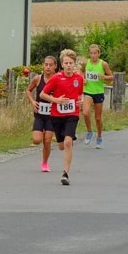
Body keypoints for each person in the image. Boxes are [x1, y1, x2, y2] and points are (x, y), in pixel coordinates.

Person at [40, 49, 84, 186]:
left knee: (68, 143)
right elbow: (42, 94)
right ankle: (63, 142)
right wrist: (56, 100)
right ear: (62, 64)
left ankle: (65, 173)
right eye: (66, 63)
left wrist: (81, 101)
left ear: (74, 64)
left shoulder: (79, 79)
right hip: (57, 116)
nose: (69, 65)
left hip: (72, 115)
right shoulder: (56, 78)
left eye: (71, 63)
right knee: (60, 145)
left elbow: (80, 94)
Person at [25, 55, 57, 172]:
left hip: (52, 115)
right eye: (46, 64)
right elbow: (28, 90)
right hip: (39, 114)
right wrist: (32, 101)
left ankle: (45, 163)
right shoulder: (38, 79)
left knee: (47, 140)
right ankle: (40, 133)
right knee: (37, 140)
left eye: (50, 65)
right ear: (43, 65)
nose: (48, 67)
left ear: (55, 67)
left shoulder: (57, 79)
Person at [82, 44, 113, 148]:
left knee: (98, 118)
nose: (93, 55)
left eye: (95, 53)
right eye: (91, 53)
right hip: (88, 91)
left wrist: (104, 76)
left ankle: (99, 137)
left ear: (99, 53)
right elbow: (81, 71)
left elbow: (111, 77)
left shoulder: (103, 64)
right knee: (85, 113)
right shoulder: (86, 62)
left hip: (98, 92)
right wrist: (83, 79)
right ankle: (89, 131)